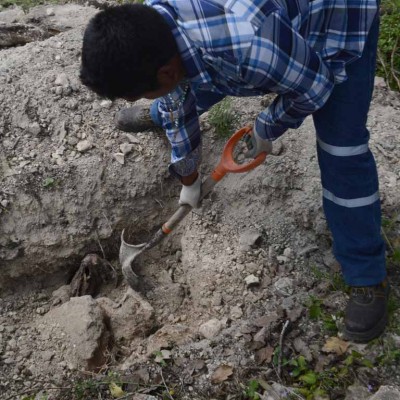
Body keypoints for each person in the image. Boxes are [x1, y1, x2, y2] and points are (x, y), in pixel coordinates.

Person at [80, 0, 388, 342]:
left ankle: (366, 275)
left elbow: (315, 86)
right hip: (257, 38)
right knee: (187, 92)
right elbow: (180, 88)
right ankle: (160, 111)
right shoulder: (156, 24)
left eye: (142, 91)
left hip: (335, 19)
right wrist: (189, 177)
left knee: (341, 148)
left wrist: (267, 126)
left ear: (167, 72)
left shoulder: (247, 44)